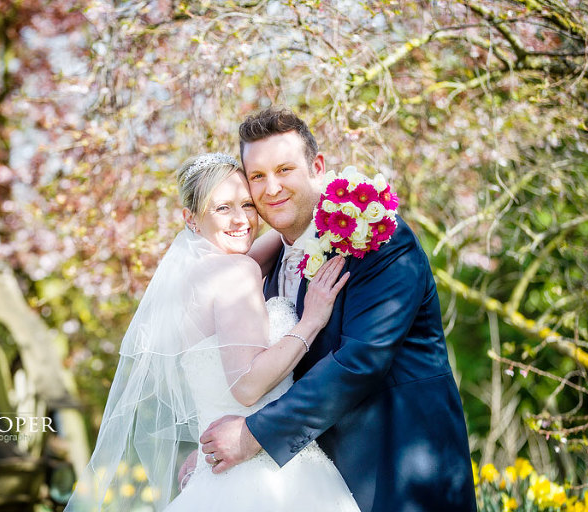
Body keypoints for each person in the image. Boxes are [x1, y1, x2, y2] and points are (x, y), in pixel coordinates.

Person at [198, 107, 477, 512]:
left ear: (317, 167)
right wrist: (211, 457)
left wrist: (251, 436)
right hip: (316, 485)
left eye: (285, 169)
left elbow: (362, 360)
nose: (271, 188)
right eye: (257, 176)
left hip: (399, 471)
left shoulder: (377, 238)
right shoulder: (269, 265)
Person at [65, 152, 359, 511]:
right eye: (222, 209)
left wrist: (323, 202)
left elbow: (285, 240)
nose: (241, 220)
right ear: (191, 218)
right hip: (269, 475)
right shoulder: (236, 273)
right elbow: (247, 386)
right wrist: (310, 321)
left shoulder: (193, 278)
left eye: (248, 205)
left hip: (218, 474)